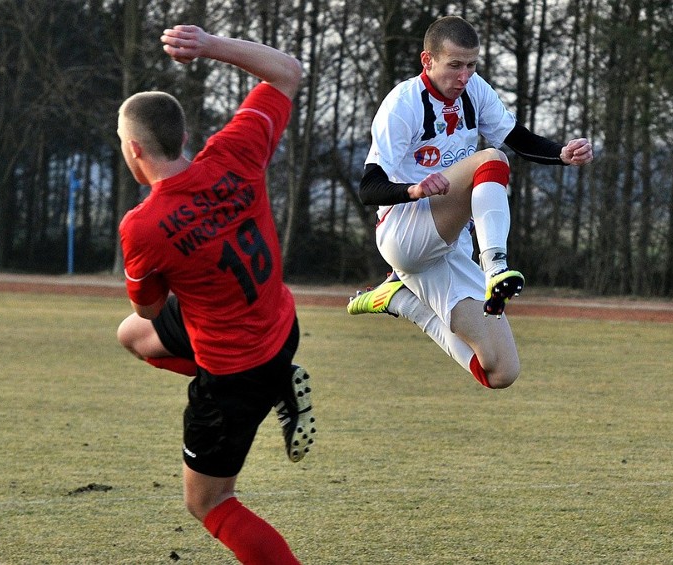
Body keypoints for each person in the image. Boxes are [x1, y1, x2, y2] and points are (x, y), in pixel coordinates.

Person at [115, 24, 314, 564]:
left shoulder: (143, 225)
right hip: (279, 323)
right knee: (131, 338)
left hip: (236, 372)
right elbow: (288, 71)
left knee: (209, 501)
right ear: (184, 137)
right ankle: (281, 384)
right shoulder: (233, 153)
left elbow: (150, 306)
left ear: (134, 151)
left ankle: (272, 387)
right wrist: (206, 45)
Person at [348, 15, 593, 390]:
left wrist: (561, 153)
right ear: (427, 61)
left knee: (500, 370)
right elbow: (369, 187)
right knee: (492, 159)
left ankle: (402, 301)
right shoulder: (402, 103)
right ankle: (495, 267)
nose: (464, 76)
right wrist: (411, 191)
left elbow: (517, 137)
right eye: (455, 65)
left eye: (472, 65)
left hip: (445, 248)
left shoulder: (474, 91)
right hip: (404, 232)